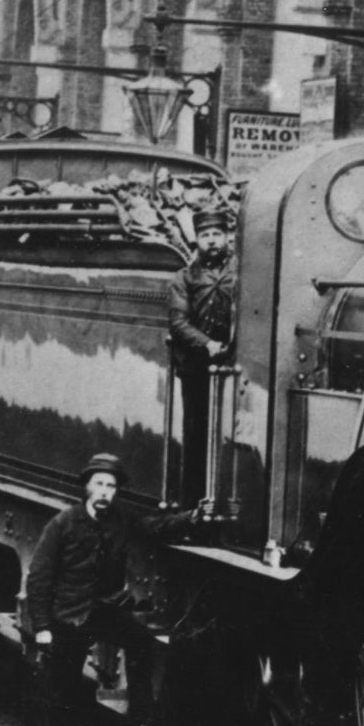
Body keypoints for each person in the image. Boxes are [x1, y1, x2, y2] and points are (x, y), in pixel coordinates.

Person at [25, 453, 197, 726]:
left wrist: (194, 517)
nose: (105, 491)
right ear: (87, 487)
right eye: (100, 484)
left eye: (111, 486)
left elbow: (155, 527)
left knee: (142, 643)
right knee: (64, 695)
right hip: (69, 617)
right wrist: (43, 627)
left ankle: (139, 716)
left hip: (104, 612)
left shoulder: (121, 520)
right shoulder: (63, 524)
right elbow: (39, 579)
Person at [167, 206, 238, 505]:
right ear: (196, 240)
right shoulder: (182, 279)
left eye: (216, 234)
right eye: (205, 235)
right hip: (196, 367)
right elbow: (179, 323)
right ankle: (192, 505)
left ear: (228, 237)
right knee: (196, 436)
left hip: (236, 364)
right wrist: (207, 344)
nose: (211, 240)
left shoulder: (242, 273)